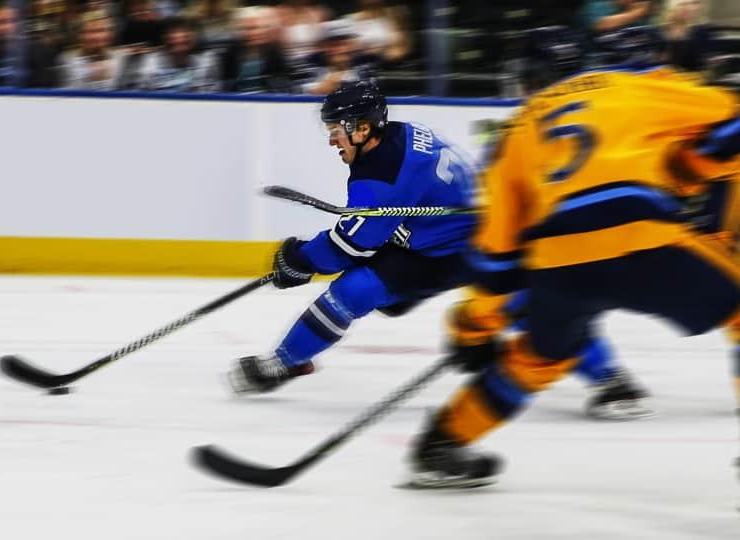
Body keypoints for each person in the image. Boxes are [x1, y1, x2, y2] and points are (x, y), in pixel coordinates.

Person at [405, 31, 740, 488]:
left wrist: (473, 329)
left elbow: (496, 257)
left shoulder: (513, 134)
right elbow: (731, 123)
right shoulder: (629, 85)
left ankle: (443, 444)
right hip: (640, 233)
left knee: (540, 358)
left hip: (559, 261)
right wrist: (692, 167)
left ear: (526, 80)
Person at [227, 81, 482, 394]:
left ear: (362, 129)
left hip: (451, 252)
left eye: (336, 130)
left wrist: (300, 260)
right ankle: (398, 295)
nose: (332, 140)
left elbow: (348, 248)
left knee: (354, 290)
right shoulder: (398, 135)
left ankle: (287, 362)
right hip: (435, 232)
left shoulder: (384, 176)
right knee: (374, 285)